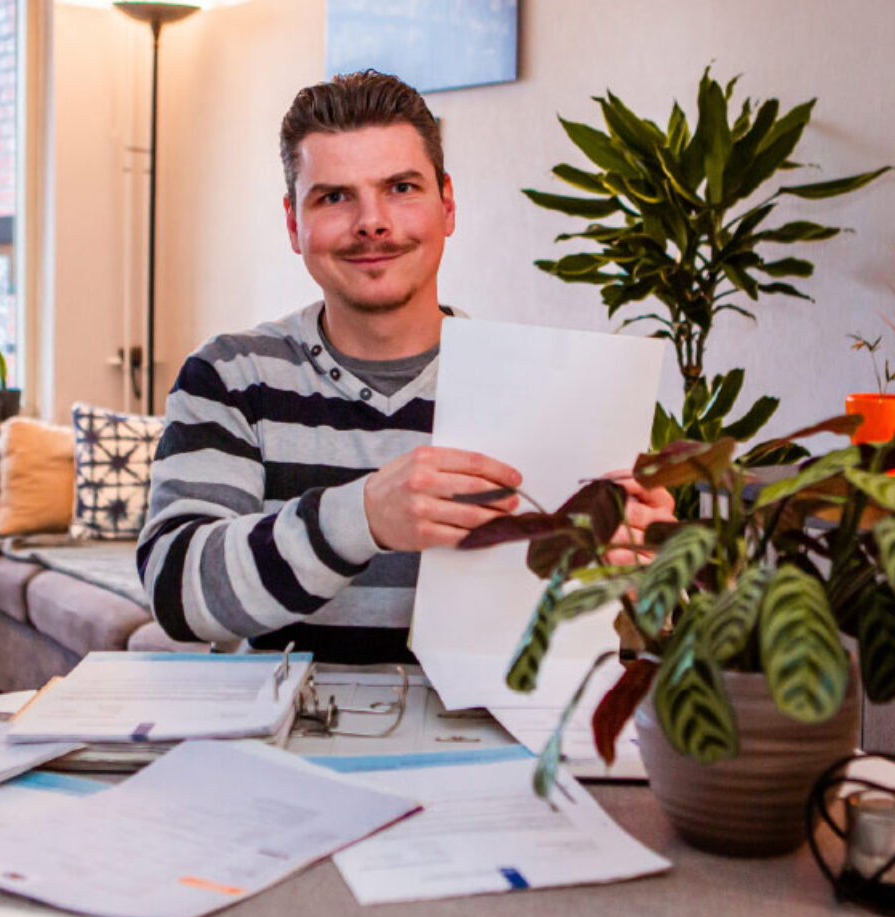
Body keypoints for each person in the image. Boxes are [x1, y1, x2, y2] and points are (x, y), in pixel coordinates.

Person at [135, 70, 670, 662]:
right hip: (283, 744)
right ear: (294, 224)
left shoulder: (551, 387)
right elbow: (176, 595)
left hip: (489, 743)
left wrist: (652, 570)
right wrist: (359, 518)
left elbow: (634, 642)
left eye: (401, 188)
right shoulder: (230, 375)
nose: (373, 222)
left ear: (447, 205)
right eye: (335, 196)